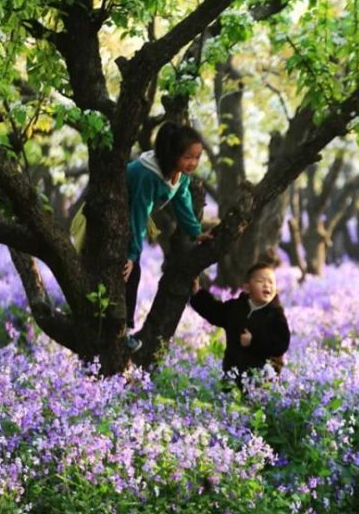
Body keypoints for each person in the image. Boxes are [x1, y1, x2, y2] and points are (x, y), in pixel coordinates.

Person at [124, 122, 212, 351]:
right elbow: (138, 213)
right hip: (118, 217)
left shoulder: (179, 175)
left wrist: (195, 232)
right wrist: (133, 255)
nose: (193, 163)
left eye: (197, 157)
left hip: (130, 220)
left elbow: (183, 204)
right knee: (130, 274)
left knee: (131, 273)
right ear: (172, 154)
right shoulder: (148, 173)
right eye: (187, 157)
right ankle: (123, 330)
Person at [189, 262, 291, 386]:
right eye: (260, 281)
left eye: (271, 282)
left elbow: (281, 344)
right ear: (247, 288)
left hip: (261, 382)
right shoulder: (236, 308)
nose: (267, 285)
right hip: (232, 375)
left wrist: (253, 342)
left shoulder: (276, 315)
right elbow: (215, 311)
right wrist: (197, 294)